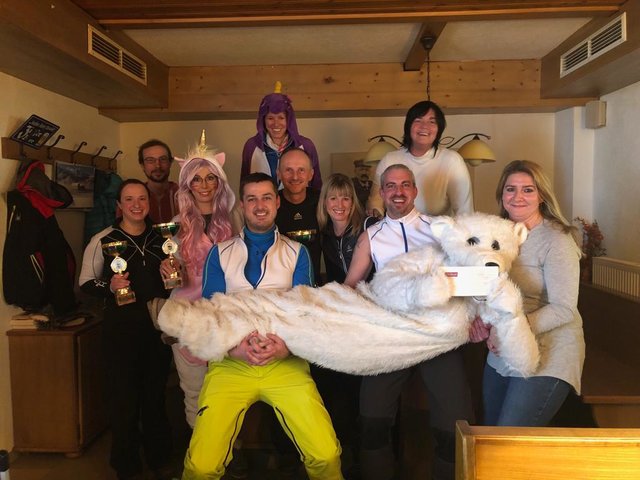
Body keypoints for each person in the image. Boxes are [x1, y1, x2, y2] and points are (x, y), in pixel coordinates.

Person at [181, 173, 343, 480]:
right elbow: (209, 315)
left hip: (285, 363)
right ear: (242, 205)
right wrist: (234, 349)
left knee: (326, 455)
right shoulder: (220, 252)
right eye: (252, 199)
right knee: (202, 466)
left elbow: (305, 315)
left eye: (266, 197)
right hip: (230, 364)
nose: (259, 205)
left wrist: (285, 348)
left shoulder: (297, 252)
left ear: (277, 202)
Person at [345, 164, 474, 480]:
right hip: (392, 335)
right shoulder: (371, 236)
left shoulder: (440, 229)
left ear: (415, 190)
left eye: (405, 184)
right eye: (390, 185)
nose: (398, 191)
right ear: (382, 192)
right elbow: (350, 286)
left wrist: (475, 315)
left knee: (456, 426)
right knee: (371, 422)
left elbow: (469, 275)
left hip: (436, 334)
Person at [469, 160, 585, 426]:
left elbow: (564, 308)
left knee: (509, 435)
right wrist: (479, 320)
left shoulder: (557, 239)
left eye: (528, 189)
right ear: (501, 195)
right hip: (502, 349)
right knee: (489, 433)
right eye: (510, 189)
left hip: (550, 349)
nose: (517, 196)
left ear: (541, 195)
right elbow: (488, 290)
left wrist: (508, 332)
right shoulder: (493, 238)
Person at [79, 179, 173, 480]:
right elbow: (85, 282)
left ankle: (160, 458)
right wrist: (110, 286)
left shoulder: (163, 238)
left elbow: (176, 283)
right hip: (120, 333)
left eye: (142, 198)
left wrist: (174, 274)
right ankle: (126, 465)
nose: (136, 204)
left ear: (149, 202)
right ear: (119, 205)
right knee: (124, 401)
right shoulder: (103, 239)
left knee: (155, 398)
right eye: (129, 199)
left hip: (156, 331)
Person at [159, 145, 239, 428]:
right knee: (194, 392)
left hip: (227, 318)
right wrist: (169, 269)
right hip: (187, 317)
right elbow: (174, 271)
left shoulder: (236, 219)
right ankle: (201, 451)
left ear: (219, 181)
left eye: (210, 178)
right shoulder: (176, 225)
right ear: (187, 185)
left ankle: (231, 447)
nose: (204, 185)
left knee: (229, 393)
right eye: (196, 179)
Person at [317, 173, 370, 477]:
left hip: (364, 316)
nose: (339, 204)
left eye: (346, 198)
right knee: (333, 384)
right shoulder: (322, 235)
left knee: (358, 389)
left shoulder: (366, 230)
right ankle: (338, 449)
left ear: (354, 203)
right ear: (325, 202)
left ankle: (362, 456)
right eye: (333, 197)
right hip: (336, 316)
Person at [367, 100, 473, 217]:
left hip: (437, 228)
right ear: (408, 126)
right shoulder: (389, 160)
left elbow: (465, 211)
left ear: (439, 129)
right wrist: (375, 212)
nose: (424, 126)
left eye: (432, 122)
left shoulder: (452, 161)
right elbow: (376, 201)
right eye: (418, 120)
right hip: (396, 227)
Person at [241, 82, 322, 190]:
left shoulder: (306, 145)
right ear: (263, 120)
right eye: (270, 118)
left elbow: (316, 184)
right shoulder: (251, 146)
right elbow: (244, 185)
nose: (276, 124)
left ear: (289, 120)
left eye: (281, 118)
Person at [275, 147, 322, 284]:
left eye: (301, 170)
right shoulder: (270, 205)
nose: (295, 177)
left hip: (314, 286)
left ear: (311, 174)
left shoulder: (323, 202)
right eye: (288, 170)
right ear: (279, 174)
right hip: (279, 287)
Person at [138, 139, 179, 223]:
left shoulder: (184, 194)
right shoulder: (133, 198)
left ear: (170, 163)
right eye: (150, 160)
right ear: (142, 165)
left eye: (163, 159)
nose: (157, 165)